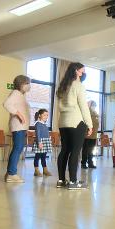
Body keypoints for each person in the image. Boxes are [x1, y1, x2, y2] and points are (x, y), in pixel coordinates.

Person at [56, 62, 93, 190]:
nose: (83, 73)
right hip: (76, 122)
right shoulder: (78, 85)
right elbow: (83, 106)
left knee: (65, 150)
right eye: (82, 71)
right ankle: (73, 182)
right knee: (75, 152)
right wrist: (90, 124)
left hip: (63, 122)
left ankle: (61, 181)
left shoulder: (63, 86)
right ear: (76, 71)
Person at [3, 75, 31, 183]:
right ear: (21, 84)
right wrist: (18, 114)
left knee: (18, 148)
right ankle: (11, 174)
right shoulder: (15, 93)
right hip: (18, 126)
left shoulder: (20, 95)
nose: (29, 86)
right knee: (17, 148)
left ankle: (10, 172)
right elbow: (6, 104)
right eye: (27, 83)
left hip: (22, 127)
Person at [32, 109, 52, 177]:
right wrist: (39, 142)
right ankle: (36, 170)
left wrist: (49, 138)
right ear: (40, 115)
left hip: (45, 142)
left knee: (44, 156)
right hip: (40, 142)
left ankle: (45, 170)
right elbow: (38, 134)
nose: (46, 116)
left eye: (47, 115)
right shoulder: (38, 124)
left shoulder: (45, 124)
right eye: (44, 115)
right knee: (37, 156)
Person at [81, 100, 99, 169]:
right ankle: (83, 163)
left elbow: (96, 124)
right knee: (85, 150)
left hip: (94, 135)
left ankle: (90, 163)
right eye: (93, 105)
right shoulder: (87, 113)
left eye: (95, 105)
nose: (94, 107)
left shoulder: (96, 114)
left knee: (91, 150)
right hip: (87, 135)